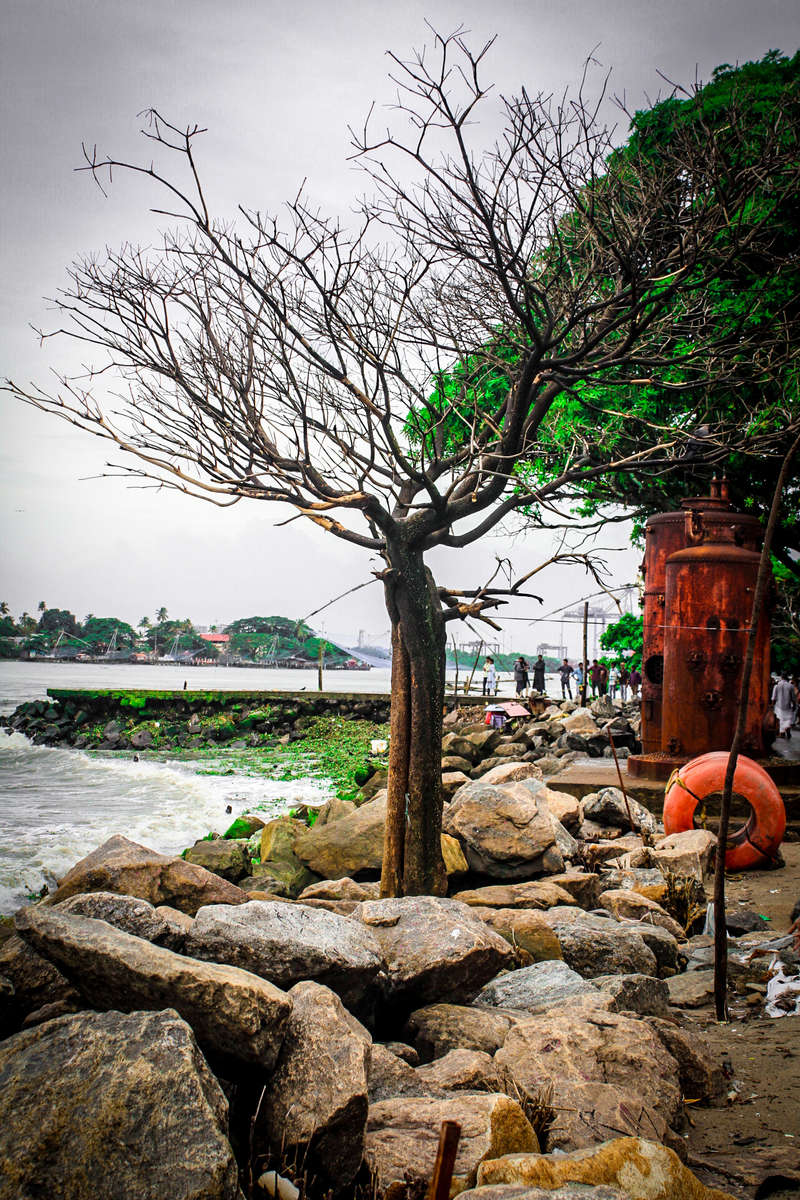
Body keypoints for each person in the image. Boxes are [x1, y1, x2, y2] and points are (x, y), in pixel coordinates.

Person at [772, 673, 798, 739]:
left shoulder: (776, 686)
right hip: (787, 706)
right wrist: (794, 705)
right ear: (787, 677)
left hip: (778, 706)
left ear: (781, 677)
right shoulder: (791, 686)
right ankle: (787, 731)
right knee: (787, 720)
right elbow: (793, 698)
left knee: (780, 720)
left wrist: (772, 706)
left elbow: (773, 698)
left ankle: (782, 733)